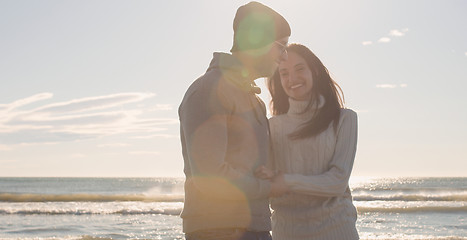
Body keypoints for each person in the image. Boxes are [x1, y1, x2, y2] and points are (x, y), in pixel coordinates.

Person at [178, 2, 291, 240]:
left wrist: (265, 174)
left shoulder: (254, 100)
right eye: (281, 47)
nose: (285, 56)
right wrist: (269, 188)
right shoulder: (208, 90)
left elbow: (241, 164)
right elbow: (210, 177)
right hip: (219, 229)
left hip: (254, 228)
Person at [257, 43, 359, 240]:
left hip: (337, 230)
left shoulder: (344, 119)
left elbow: (337, 181)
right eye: (284, 73)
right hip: (287, 232)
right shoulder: (271, 126)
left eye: (300, 69)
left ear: (315, 72)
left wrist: (286, 181)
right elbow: (267, 180)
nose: (292, 78)